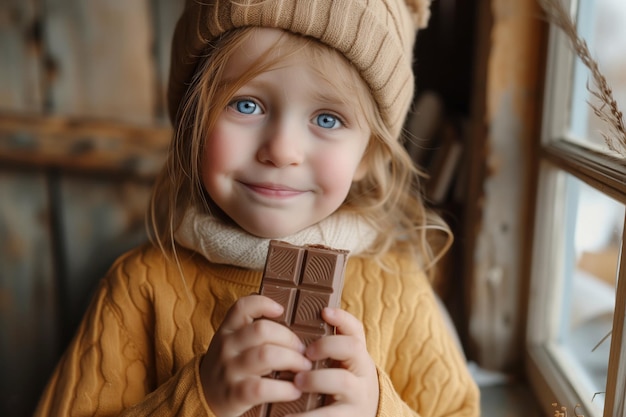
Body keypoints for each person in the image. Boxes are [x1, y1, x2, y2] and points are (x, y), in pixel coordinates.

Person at [35, 0, 480, 416]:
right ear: (193, 122)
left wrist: (378, 408)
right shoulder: (140, 288)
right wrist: (199, 398)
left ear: (368, 155)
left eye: (327, 118)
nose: (282, 150)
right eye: (245, 104)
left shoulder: (399, 291)